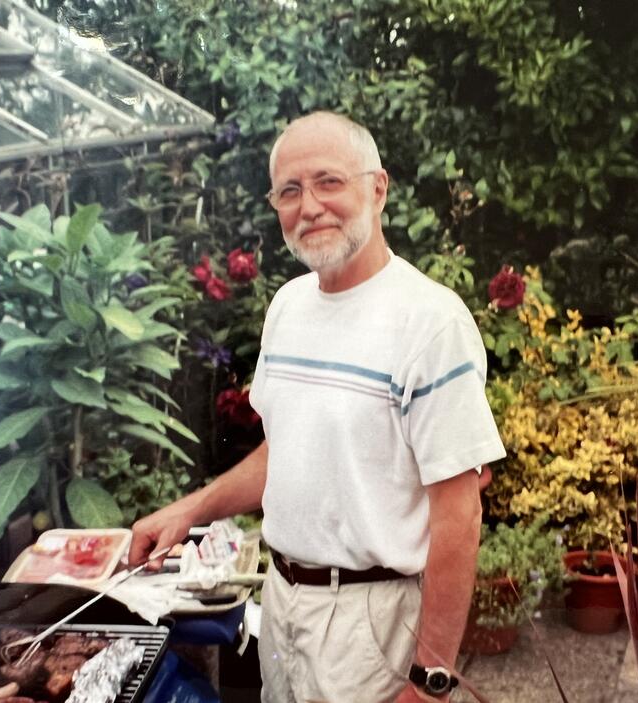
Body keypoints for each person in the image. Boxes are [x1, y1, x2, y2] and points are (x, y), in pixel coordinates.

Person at [129, 111, 505, 702]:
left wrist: (431, 680)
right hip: (281, 605)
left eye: (329, 181)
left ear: (377, 189)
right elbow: (288, 448)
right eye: (290, 190)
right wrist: (191, 509)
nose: (309, 207)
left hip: (373, 626)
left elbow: (459, 515)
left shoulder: (430, 323)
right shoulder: (288, 307)